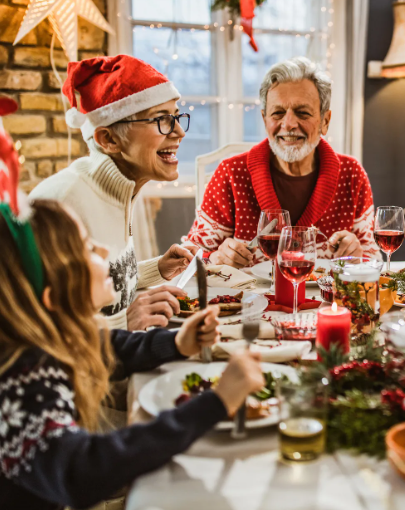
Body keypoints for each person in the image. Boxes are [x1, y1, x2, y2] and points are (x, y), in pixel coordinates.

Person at [0, 196, 265, 510]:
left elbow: (112, 347)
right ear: (54, 296)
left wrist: (177, 342)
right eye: (88, 247)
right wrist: (217, 402)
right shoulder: (23, 381)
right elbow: (82, 472)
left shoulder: (54, 339)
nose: (103, 251)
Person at [30, 55, 196, 331]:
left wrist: (157, 269)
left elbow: (99, 288)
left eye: (177, 117)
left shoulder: (120, 189)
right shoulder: (61, 204)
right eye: (162, 120)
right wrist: (124, 322)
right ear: (109, 140)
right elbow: (33, 326)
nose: (179, 131)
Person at [184, 56, 378, 267]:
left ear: (325, 121)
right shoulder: (232, 173)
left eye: (302, 113)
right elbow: (189, 257)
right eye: (277, 113)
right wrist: (213, 257)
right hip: (245, 299)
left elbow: (373, 258)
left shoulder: (351, 174)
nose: (288, 124)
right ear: (264, 119)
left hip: (324, 300)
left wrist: (358, 256)